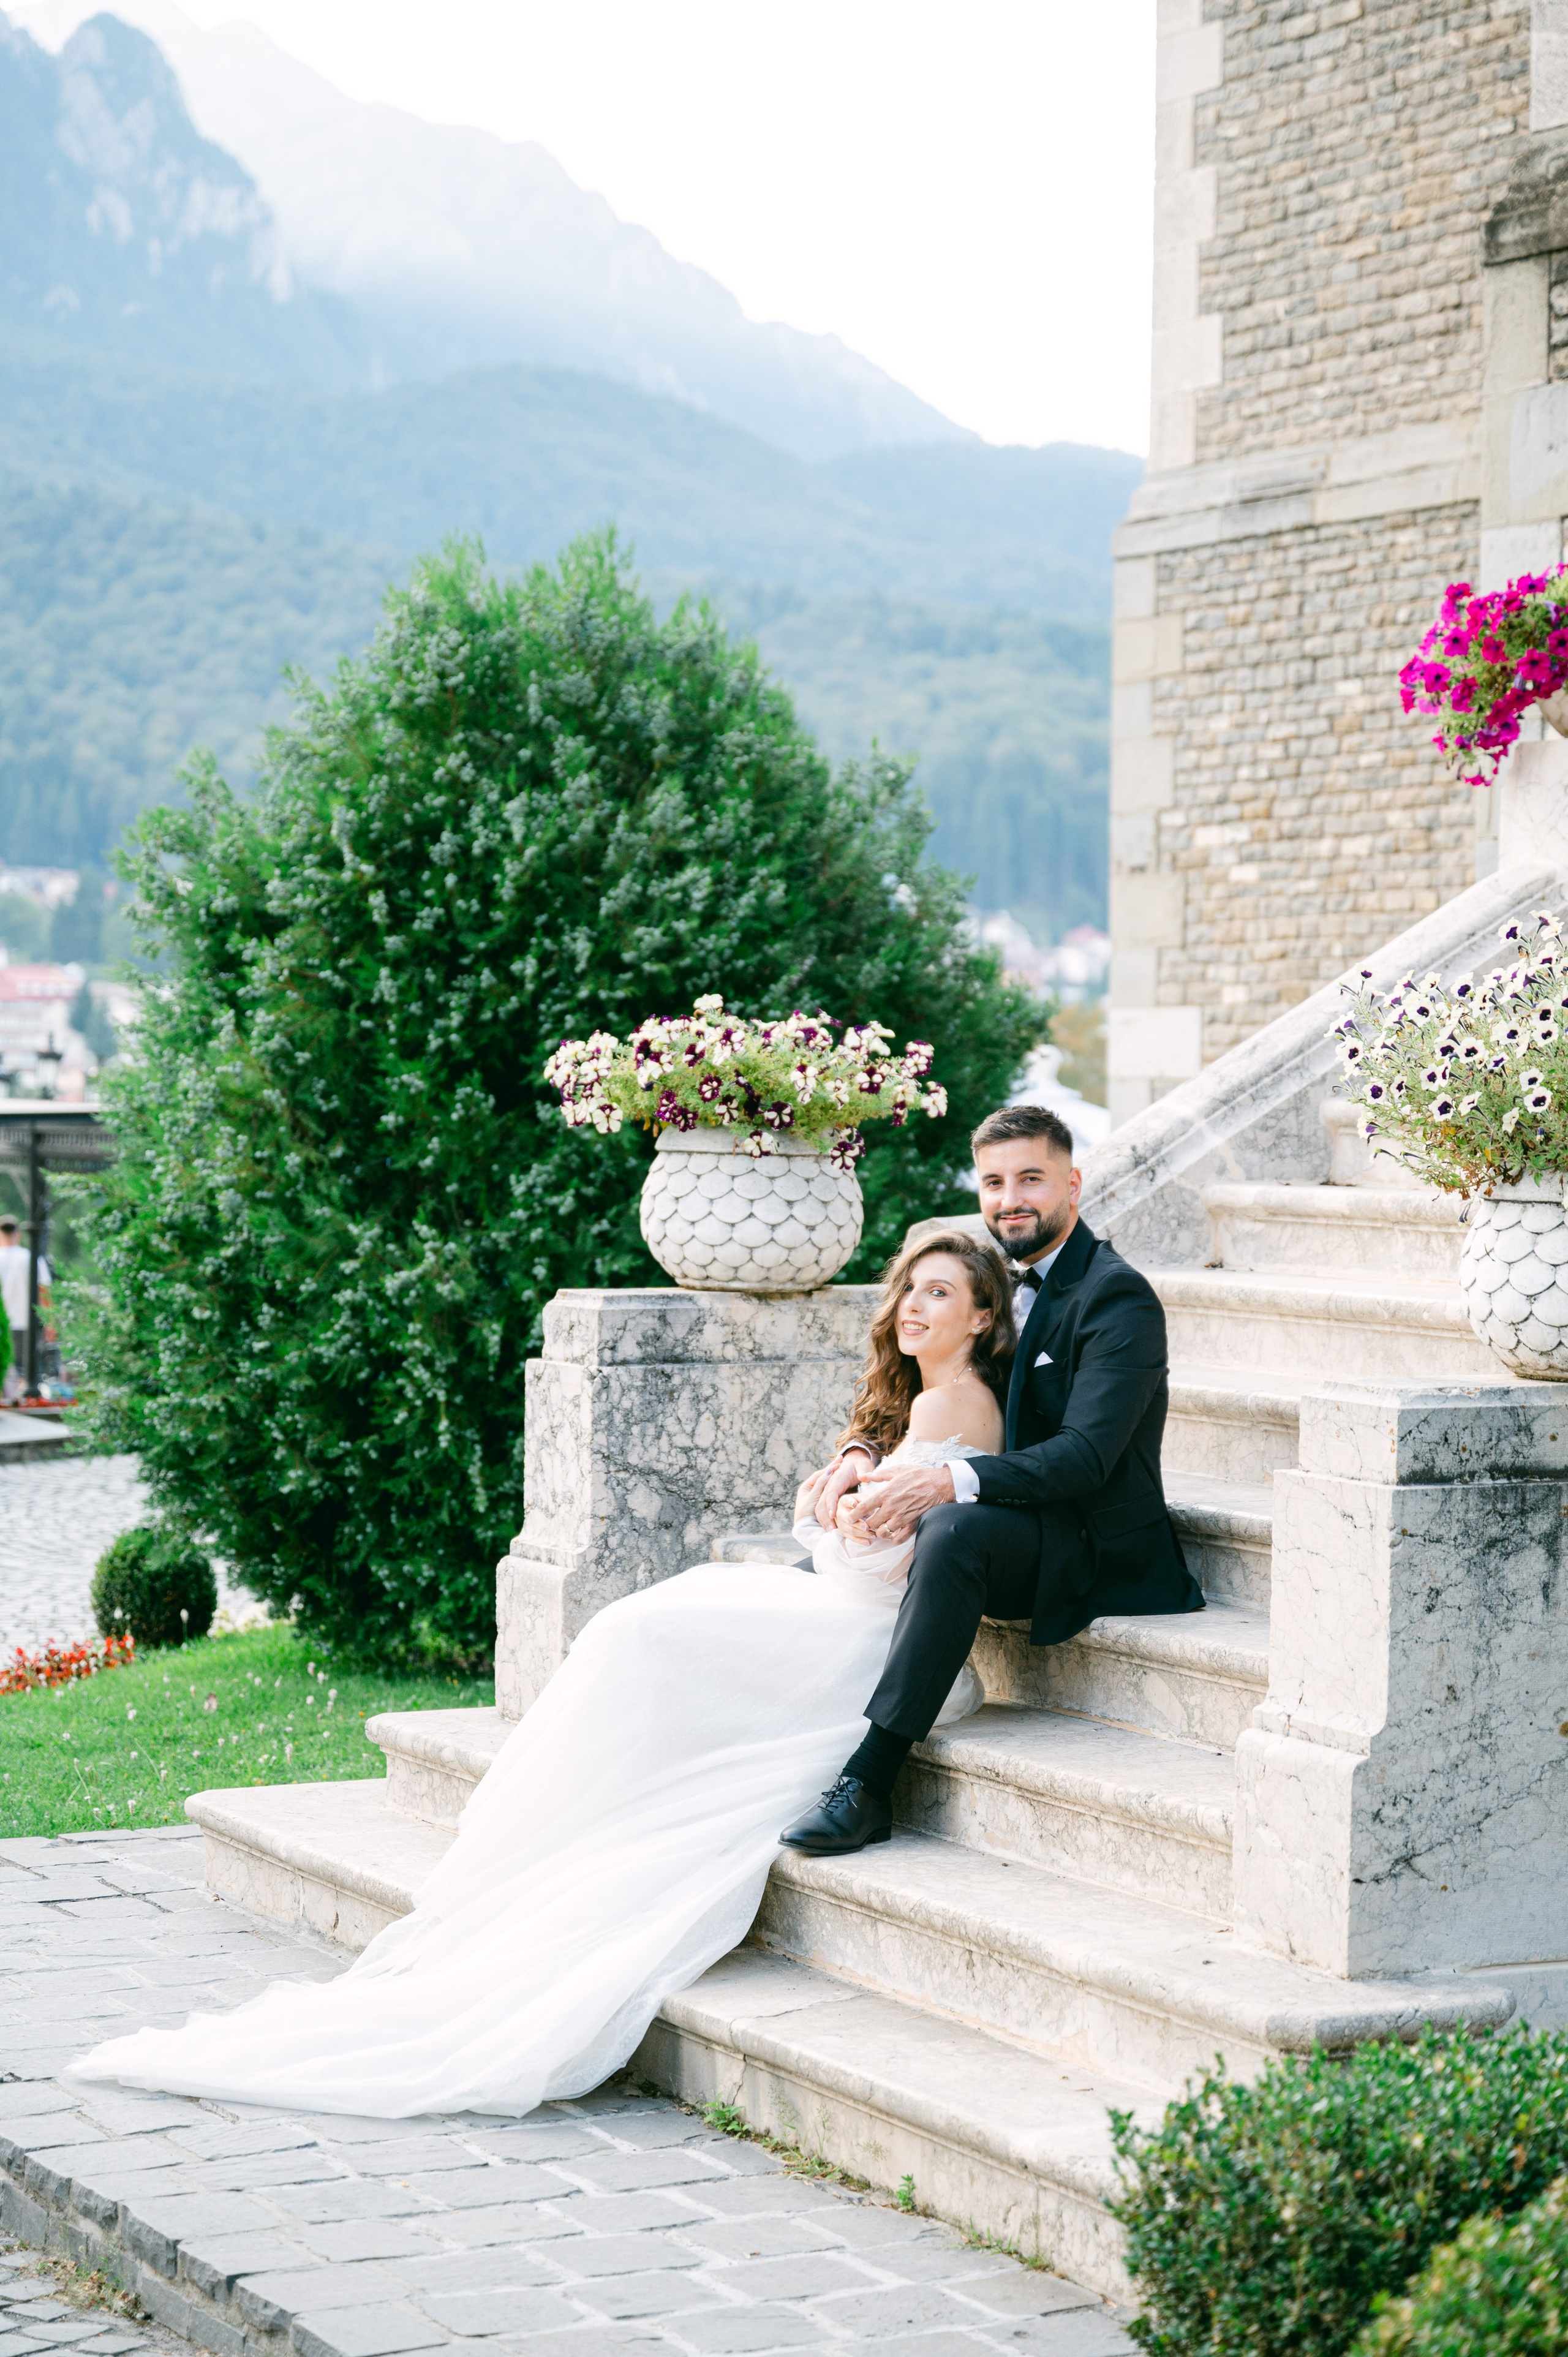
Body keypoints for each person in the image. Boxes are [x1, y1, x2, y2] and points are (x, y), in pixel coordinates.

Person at [68, 1231, 1014, 2119]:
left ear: (982, 1318)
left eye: (942, 1293)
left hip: (860, 1632)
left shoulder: (950, 1402)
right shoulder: (912, 1402)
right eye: (909, 1290)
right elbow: (868, 1519)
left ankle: (593, 1816)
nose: (914, 1307)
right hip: (836, 1607)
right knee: (640, 1628)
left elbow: (885, 1558)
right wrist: (849, 1473)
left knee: (641, 1633)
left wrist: (837, 1504)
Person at [780, 1103, 1203, 1859]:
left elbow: (1083, 1459)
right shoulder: (992, 1278)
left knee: (950, 1526)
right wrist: (858, 1455)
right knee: (811, 1572)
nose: (1010, 1198)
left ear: (1072, 1184)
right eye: (994, 1181)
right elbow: (921, 1382)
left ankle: (870, 1781)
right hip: (1015, 1513)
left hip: (1090, 1539)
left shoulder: (1116, 1297)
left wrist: (947, 1479)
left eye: (1031, 1179)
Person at [0, 1215, 51, 1408]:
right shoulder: (30, 1258)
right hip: (26, 1323)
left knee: (4, 1370)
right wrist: (50, 1322)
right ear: (18, 1234)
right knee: (25, 1373)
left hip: (2, 1324)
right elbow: (44, 1291)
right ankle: (22, 1405)